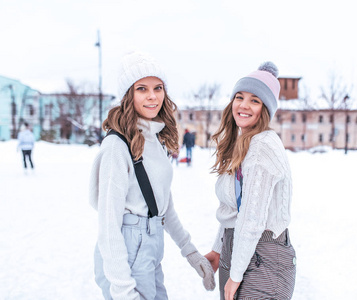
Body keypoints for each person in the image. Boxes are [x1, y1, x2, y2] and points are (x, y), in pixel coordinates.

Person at [89, 51, 215, 300]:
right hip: (128, 248)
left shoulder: (154, 139)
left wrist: (190, 252)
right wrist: (124, 292)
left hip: (150, 244)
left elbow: (163, 208)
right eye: (142, 89)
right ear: (128, 95)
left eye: (158, 88)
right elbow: (108, 225)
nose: (152, 96)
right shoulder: (117, 146)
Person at [205, 62, 296, 300]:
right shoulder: (242, 143)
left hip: (263, 258)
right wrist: (218, 249)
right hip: (236, 251)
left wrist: (236, 275)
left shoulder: (263, 146)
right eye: (239, 97)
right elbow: (233, 208)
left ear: (265, 109)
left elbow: (253, 218)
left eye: (255, 100)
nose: (243, 105)